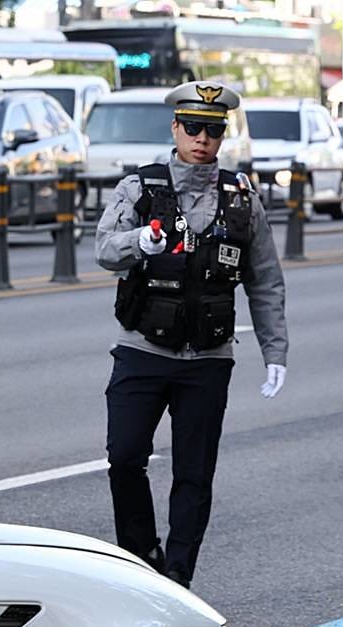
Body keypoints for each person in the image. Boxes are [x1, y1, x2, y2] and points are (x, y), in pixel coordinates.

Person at [95, 80, 288, 588]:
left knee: (194, 474)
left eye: (214, 130)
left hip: (208, 357)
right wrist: (142, 239)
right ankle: (142, 554)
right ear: (175, 128)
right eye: (194, 127)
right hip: (142, 351)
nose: (203, 138)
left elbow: (264, 279)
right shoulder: (139, 188)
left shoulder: (241, 197)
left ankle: (177, 575)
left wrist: (275, 350)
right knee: (125, 456)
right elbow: (104, 249)